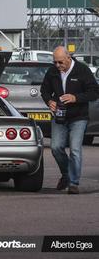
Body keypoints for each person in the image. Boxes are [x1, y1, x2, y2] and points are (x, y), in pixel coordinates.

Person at [41, 46, 99, 194]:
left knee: (75, 150)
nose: (57, 66)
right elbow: (44, 90)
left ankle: (73, 183)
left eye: (60, 62)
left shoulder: (82, 70)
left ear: (69, 57)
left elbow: (94, 92)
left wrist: (75, 98)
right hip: (59, 116)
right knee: (56, 148)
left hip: (79, 117)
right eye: (55, 62)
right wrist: (49, 101)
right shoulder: (52, 71)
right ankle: (66, 174)